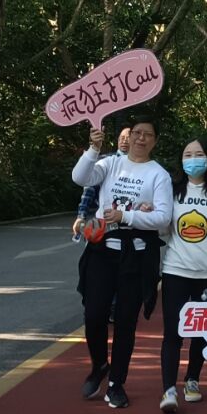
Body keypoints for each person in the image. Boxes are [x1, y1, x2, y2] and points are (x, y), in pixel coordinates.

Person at [70, 119, 173, 410]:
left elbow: (163, 217)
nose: (141, 138)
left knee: (126, 322)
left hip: (136, 257)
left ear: (155, 141)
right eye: (137, 133)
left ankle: (116, 383)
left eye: (148, 134)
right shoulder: (109, 164)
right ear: (127, 137)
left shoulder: (159, 175)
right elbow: (80, 177)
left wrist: (127, 217)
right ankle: (99, 364)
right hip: (102, 252)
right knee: (94, 315)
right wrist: (93, 148)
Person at [157, 137, 207, 414]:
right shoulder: (172, 189)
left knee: (201, 330)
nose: (192, 159)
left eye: (198, 154)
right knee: (172, 331)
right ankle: (168, 389)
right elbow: (164, 228)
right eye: (187, 154)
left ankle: (192, 379)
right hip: (175, 269)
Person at [74, 124, 129, 302]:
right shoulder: (106, 161)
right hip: (103, 227)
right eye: (121, 138)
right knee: (96, 272)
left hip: (131, 233)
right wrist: (81, 216)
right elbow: (88, 188)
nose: (125, 141)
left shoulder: (146, 167)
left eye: (128, 138)